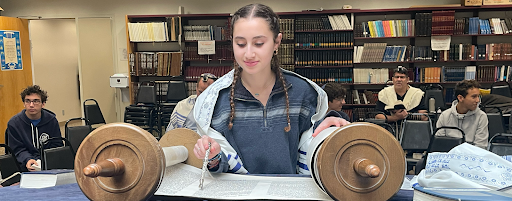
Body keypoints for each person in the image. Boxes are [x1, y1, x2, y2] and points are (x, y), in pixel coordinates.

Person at [187, 3, 349, 175]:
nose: (248, 54)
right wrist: (212, 157)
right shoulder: (214, 101)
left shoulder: (303, 92)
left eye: (258, 43)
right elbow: (221, 164)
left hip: (289, 194)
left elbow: (310, 146)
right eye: (240, 44)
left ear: (277, 42)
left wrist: (328, 128)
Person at [6, 85, 63, 171]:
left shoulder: (51, 120)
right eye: (28, 101)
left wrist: (44, 160)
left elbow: (57, 145)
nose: (31, 105)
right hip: (24, 165)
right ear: (24, 104)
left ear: (43, 104)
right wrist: (28, 159)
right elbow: (17, 149)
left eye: (36, 101)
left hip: (48, 164)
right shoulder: (14, 123)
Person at [435, 80, 488, 149]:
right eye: (474, 97)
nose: (478, 100)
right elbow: (439, 144)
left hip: (471, 157)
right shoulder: (445, 116)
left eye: (478, 96)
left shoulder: (481, 117)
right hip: (449, 156)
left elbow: (480, 147)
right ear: (460, 98)